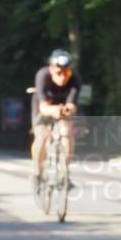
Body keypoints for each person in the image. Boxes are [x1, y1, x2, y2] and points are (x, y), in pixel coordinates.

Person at [31, 49, 82, 186]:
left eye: (67, 72)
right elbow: (43, 107)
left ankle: (64, 172)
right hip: (44, 106)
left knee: (67, 132)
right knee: (42, 136)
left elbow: (72, 105)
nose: (63, 77)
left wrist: (67, 110)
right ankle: (37, 171)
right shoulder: (42, 76)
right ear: (51, 69)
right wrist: (54, 110)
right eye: (59, 73)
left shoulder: (75, 79)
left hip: (62, 107)